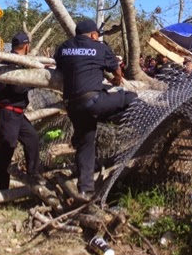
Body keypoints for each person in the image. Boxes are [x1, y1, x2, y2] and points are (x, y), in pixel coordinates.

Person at [54, 19, 137, 201]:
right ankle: (138, 122)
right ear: (93, 35)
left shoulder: (63, 47)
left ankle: (85, 189)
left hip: (72, 106)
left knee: (86, 143)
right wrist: (116, 79)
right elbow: (117, 71)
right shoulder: (99, 48)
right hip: (93, 101)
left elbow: (60, 68)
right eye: (97, 35)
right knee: (130, 97)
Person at [0, 32, 44, 190]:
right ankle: (0, 189)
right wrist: (36, 81)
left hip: (17, 113)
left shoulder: (17, 61)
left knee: (32, 139)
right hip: (8, 112)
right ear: (26, 46)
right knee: (6, 149)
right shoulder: (12, 62)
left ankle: (33, 176)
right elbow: (18, 87)